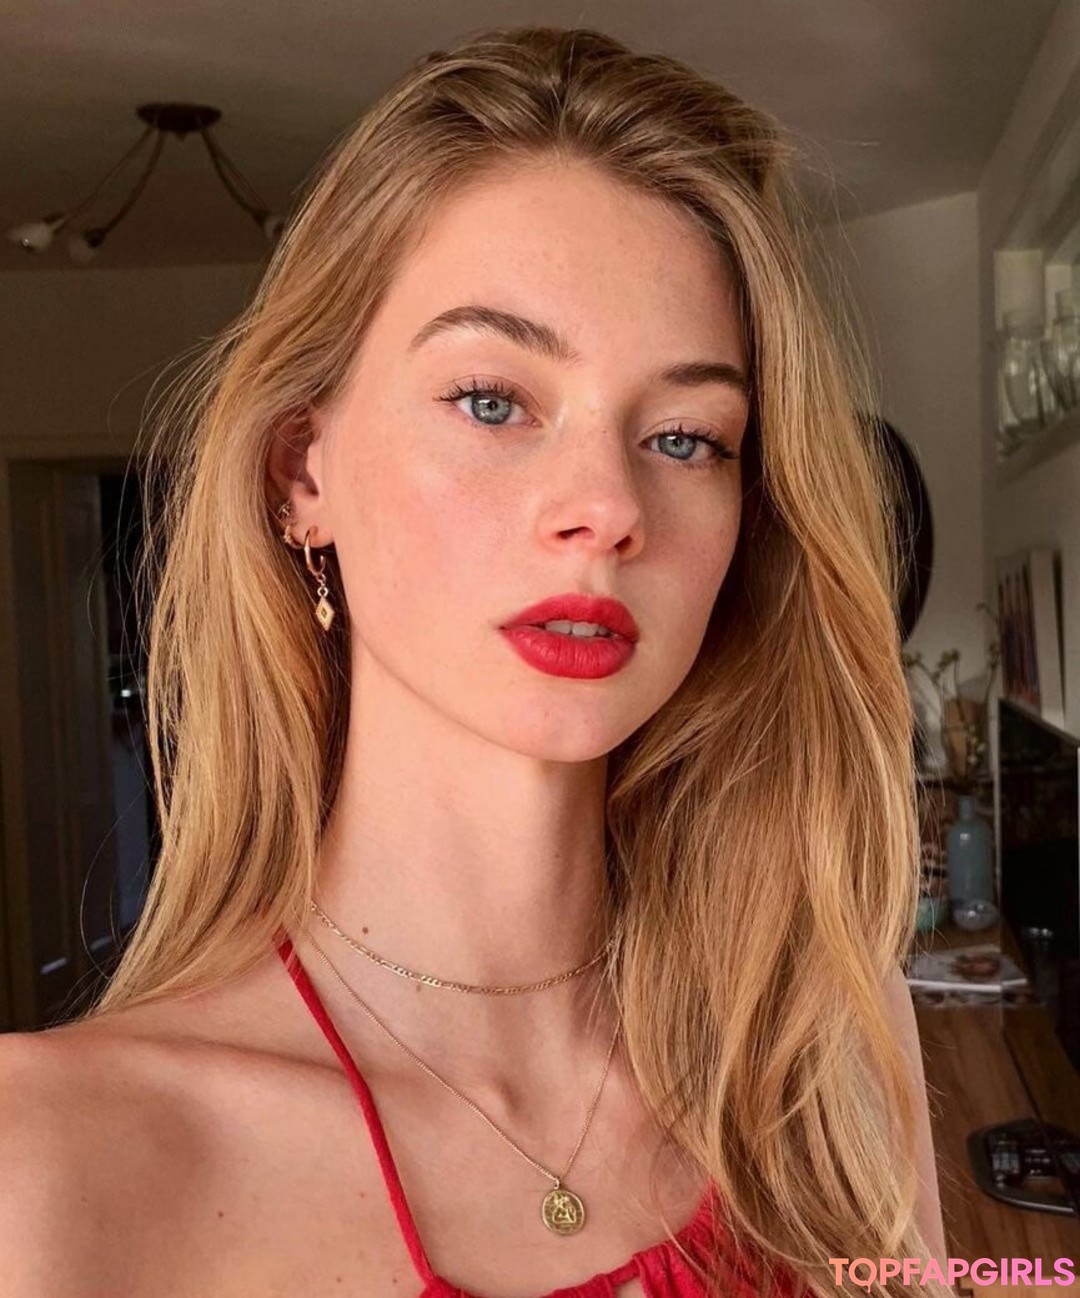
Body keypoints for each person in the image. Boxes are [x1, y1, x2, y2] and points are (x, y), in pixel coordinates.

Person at [0, 25, 951, 1298]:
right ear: (302, 473)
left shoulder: (823, 1052)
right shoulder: (47, 1165)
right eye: (493, 400)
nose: (605, 506)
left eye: (685, 436)